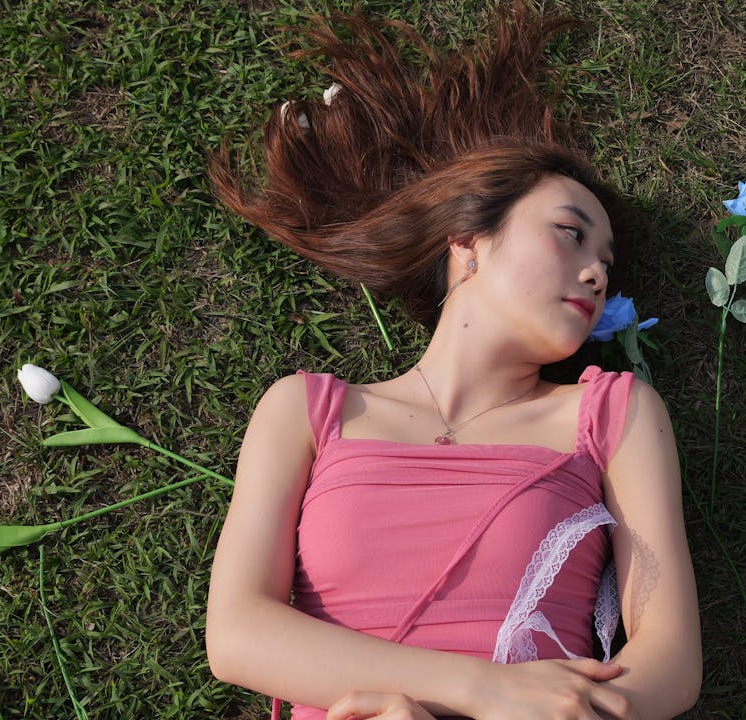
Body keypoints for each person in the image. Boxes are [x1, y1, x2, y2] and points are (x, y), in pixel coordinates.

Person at [204, 4, 701, 719]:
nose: (596, 273)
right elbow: (238, 633)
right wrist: (482, 690)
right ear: (469, 241)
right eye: (570, 235)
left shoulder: (610, 414)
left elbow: (668, 662)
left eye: (607, 263)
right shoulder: (308, 411)